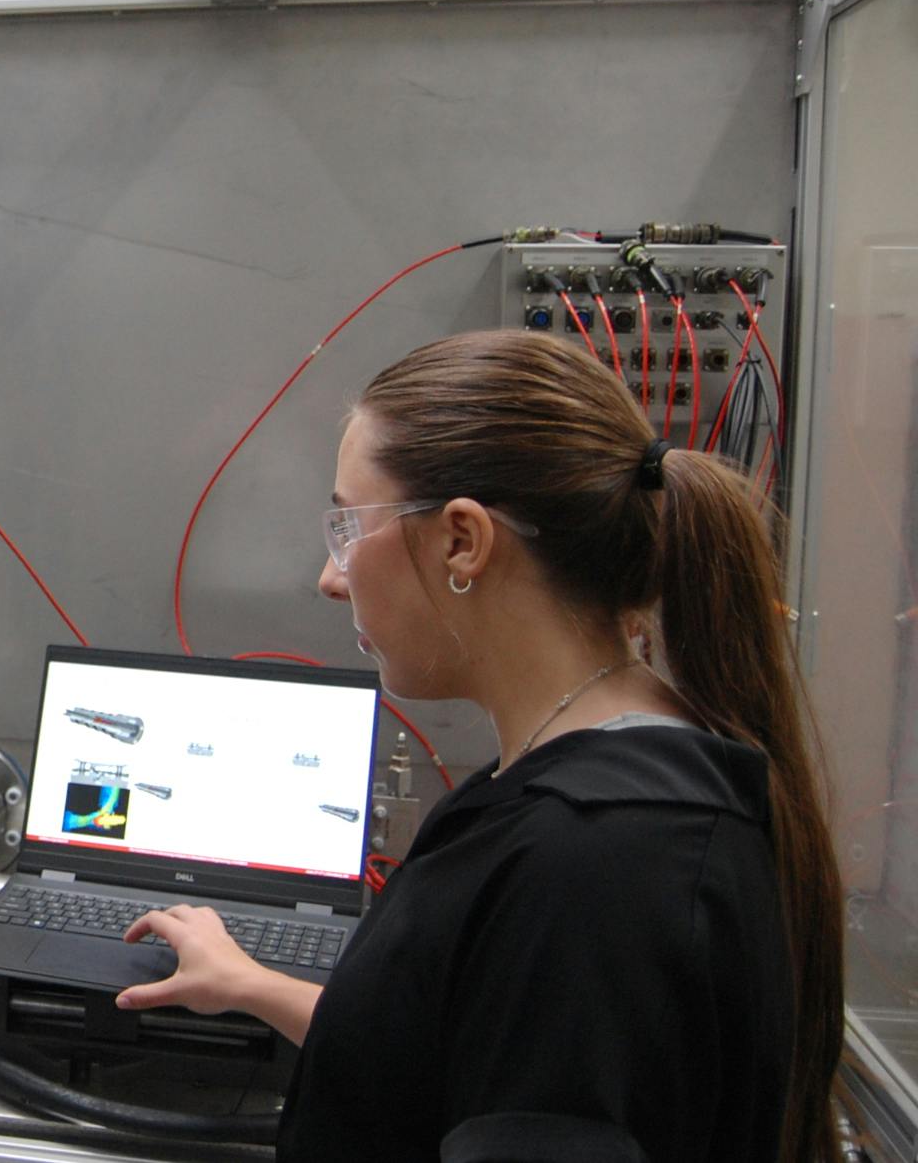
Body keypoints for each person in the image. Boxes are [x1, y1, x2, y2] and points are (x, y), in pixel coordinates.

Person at [114, 330, 842, 1162]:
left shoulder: (600, 864)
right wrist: (250, 984)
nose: (331, 576)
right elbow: (470, 1049)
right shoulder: (589, 783)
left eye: (349, 525)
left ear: (463, 540)